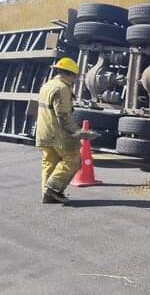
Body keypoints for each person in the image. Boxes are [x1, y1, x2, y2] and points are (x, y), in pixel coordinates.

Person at [36, 57, 98, 204]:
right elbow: (63, 116)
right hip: (57, 134)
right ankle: (52, 189)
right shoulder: (62, 88)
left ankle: (48, 195)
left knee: (49, 162)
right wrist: (79, 133)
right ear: (70, 74)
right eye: (74, 77)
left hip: (44, 133)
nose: (74, 80)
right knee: (74, 160)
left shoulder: (48, 85)